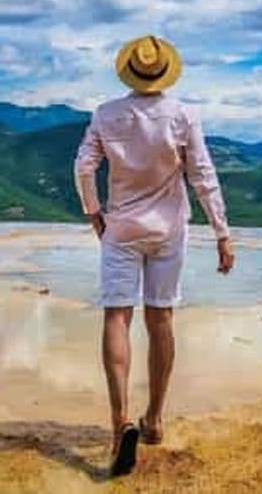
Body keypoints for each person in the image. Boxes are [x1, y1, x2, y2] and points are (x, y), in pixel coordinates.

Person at [73, 34, 235, 477]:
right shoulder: (184, 115)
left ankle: (118, 424)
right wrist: (221, 231)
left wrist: (94, 213)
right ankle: (155, 421)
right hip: (169, 230)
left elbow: (84, 166)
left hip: (121, 228)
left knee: (116, 318)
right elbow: (203, 175)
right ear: (165, 72)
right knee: (160, 319)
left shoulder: (106, 115)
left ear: (130, 71)